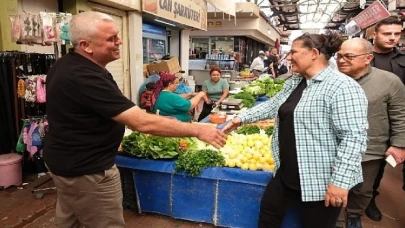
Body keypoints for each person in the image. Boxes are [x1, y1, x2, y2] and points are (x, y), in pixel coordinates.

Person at [43, 12, 227, 228]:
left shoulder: (68, 65)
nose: (119, 41)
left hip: (67, 164)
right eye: (111, 38)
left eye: (118, 36)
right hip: (88, 171)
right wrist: (197, 130)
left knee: (69, 220)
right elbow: (142, 122)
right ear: (86, 45)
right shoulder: (84, 75)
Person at [222, 32, 368, 228]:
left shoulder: (342, 87)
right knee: (268, 215)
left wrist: (340, 183)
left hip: (321, 177)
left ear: (314, 53)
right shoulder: (295, 81)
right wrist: (240, 119)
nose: (288, 57)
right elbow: (274, 104)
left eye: (294, 52)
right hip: (287, 171)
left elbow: (353, 138)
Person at [336, 38, 405, 228]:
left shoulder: (389, 81)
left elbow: (400, 115)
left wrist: (399, 145)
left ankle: (354, 215)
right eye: (339, 56)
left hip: (371, 148)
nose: (342, 60)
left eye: (348, 56)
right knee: (334, 186)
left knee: (363, 188)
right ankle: (338, 219)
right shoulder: (331, 79)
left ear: (368, 58)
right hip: (334, 146)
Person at [366, 16, 405, 221]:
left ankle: (370, 198)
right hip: (364, 120)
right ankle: (355, 199)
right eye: (387, 33)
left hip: (392, 124)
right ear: (375, 34)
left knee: (380, 165)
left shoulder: (402, 61)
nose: (392, 38)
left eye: (397, 34)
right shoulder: (361, 57)